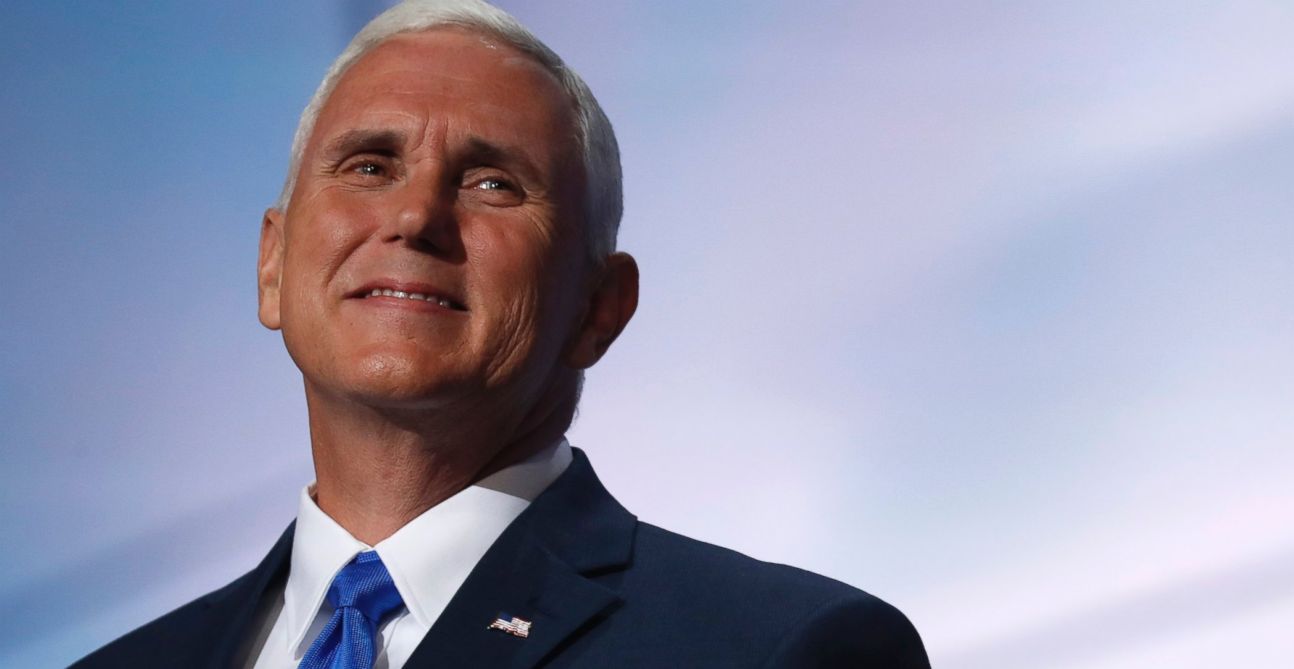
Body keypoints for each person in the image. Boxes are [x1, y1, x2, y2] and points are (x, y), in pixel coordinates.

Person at [72, 1, 929, 667]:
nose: (414, 215)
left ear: (600, 306)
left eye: (491, 183)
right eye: (369, 165)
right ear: (273, 263)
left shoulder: (783, 649)